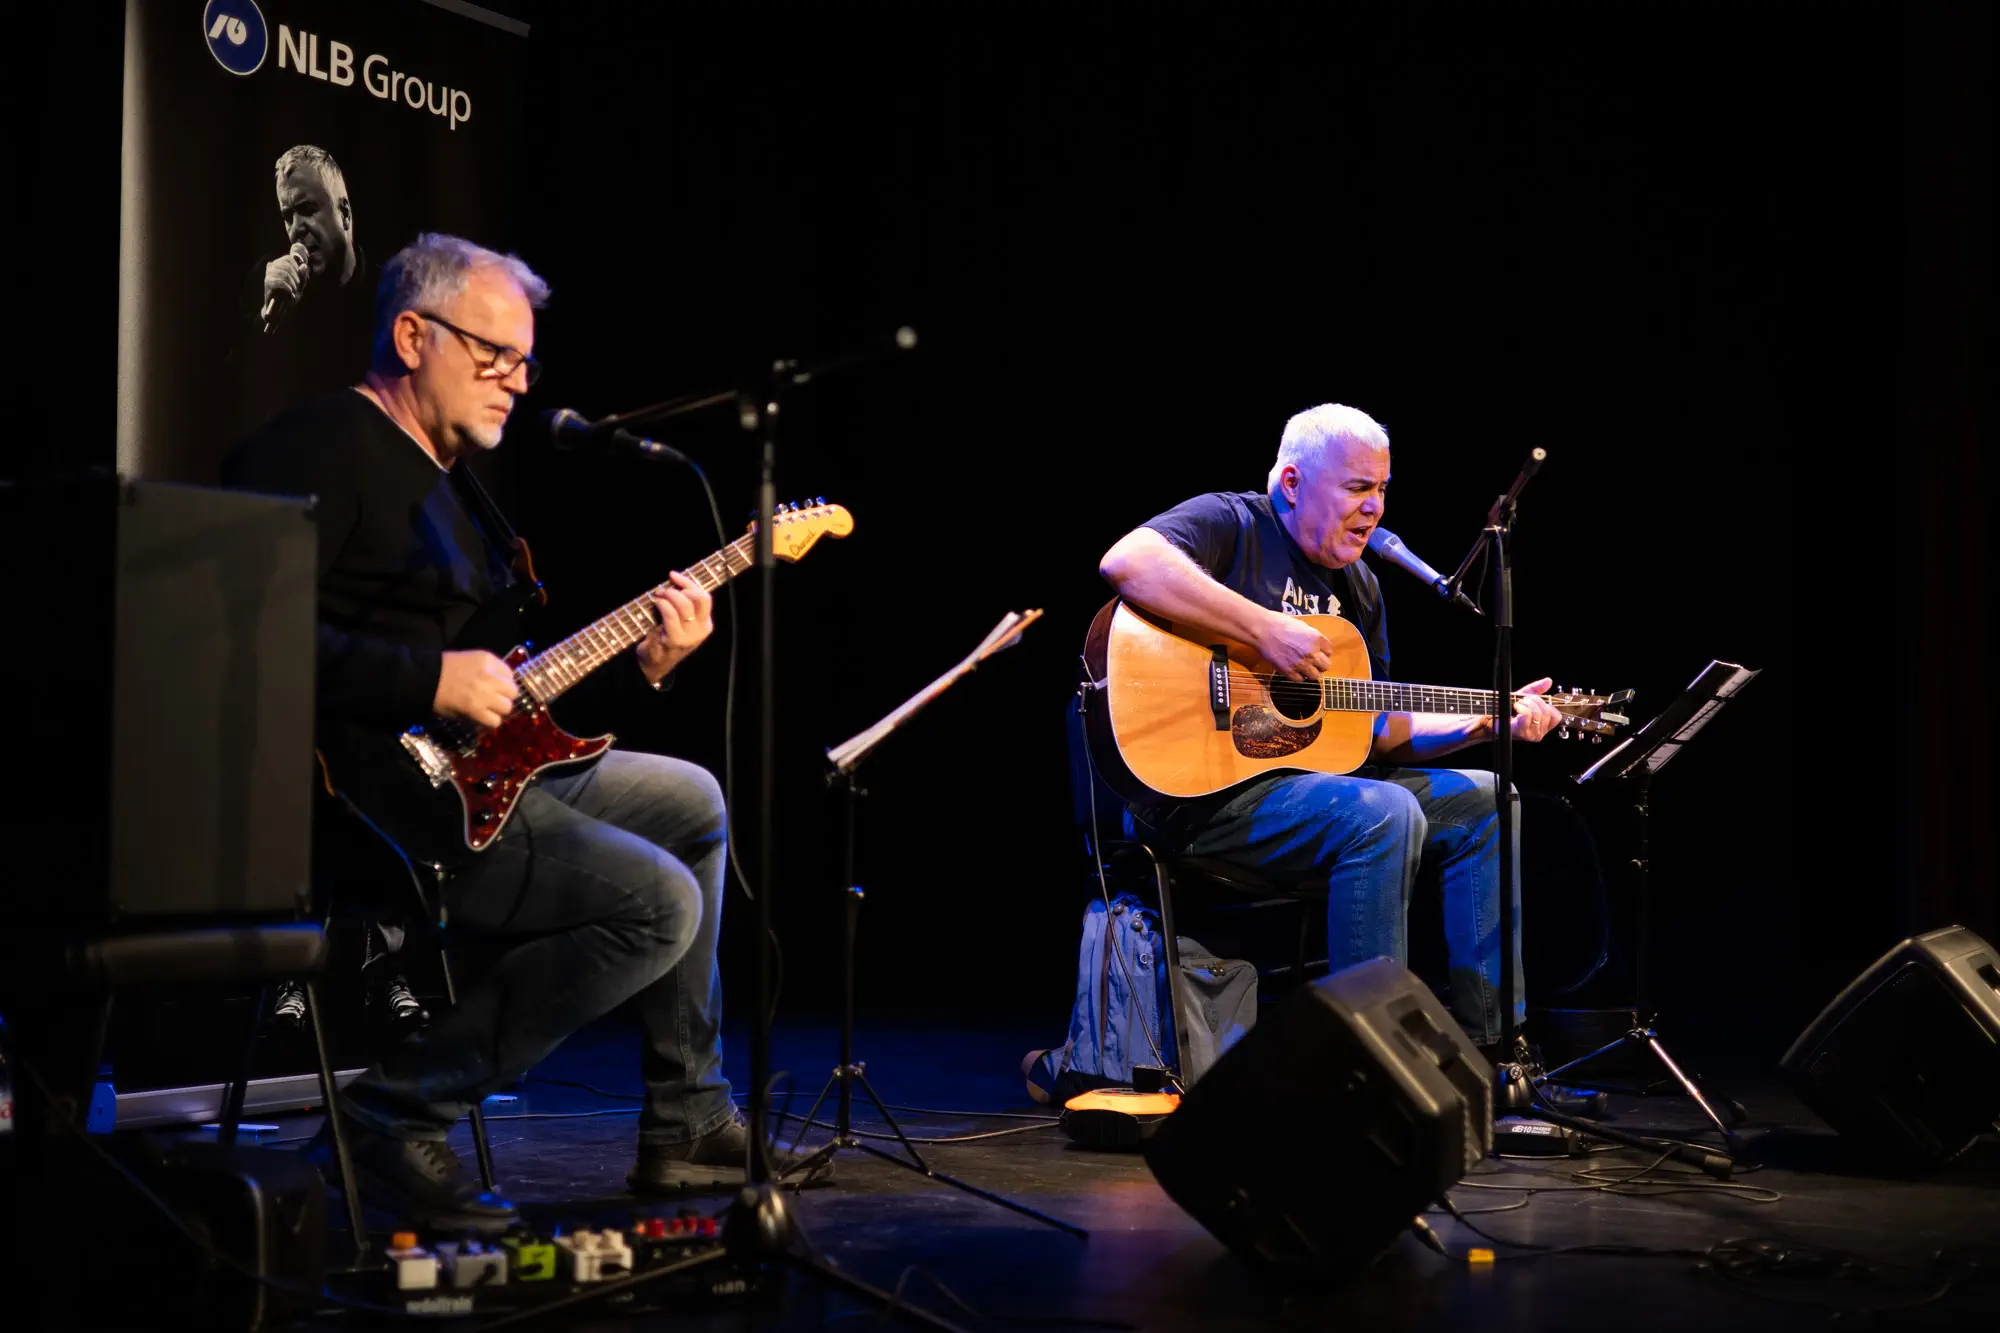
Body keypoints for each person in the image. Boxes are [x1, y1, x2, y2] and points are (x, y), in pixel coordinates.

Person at [223, 233, 753, 1233]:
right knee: (655, 901)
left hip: (469, 783)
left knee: (693, 801)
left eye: (524, 361)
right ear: (412, 335)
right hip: (361, 803)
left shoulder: (465, 494)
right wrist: (423, 676)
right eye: (492, 354)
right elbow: (236, 639)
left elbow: (511, 708)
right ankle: (393, 1114)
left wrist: (644, 672)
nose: (515, 381)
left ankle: (687, 1116)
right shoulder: (316, 449)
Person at [1096, 403, 1566, 1065]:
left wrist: (1486, 721)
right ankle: (1364, 1063)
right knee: (1385, 811)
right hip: (1198, 796)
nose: (1374, 507)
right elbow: (1128, 559)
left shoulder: (1362, 587)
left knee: (1491, 799)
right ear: (1291, 483)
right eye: (1356, 487)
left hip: (1314, 798)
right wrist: (1262, 630)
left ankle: (1495, 1049)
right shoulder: (1233, 523)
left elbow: (1372, 730)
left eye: (1382, 489)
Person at [260, 144, 359, 331]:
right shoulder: (270, 284)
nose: (296, 229)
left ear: (344, 214)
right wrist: (270, 319)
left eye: (307, 209)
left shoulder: (391, 291)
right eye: (288, 217)